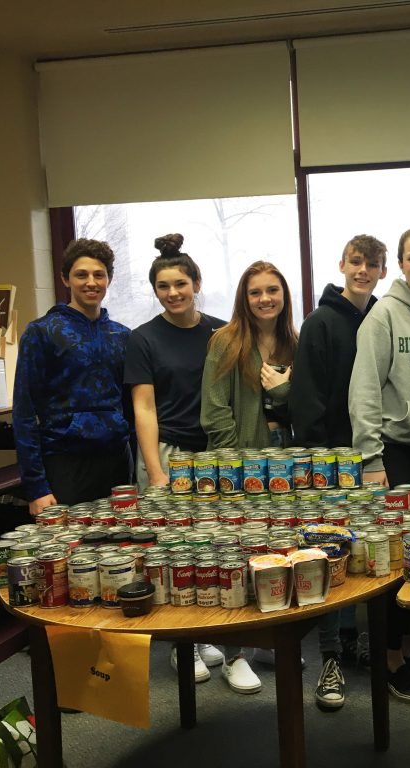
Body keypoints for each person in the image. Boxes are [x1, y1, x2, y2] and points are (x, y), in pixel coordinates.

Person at [349, 221, 410, 702]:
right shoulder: (383, 315)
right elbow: (364, 389)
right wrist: (370, 457)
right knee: (396, 557)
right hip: (393, 450)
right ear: (401, 266)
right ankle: (388, 656)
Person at [291, 234, 388, 711]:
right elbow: (305, 400)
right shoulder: (320, 322)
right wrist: (318, 466)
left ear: (382, 271)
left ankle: (352, 639)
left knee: (361, 553)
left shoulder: (380, 317)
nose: (362, 271)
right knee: (328, 553)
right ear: (342, 264)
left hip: (368, 459)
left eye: (371, 264)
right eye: (355, 262)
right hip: (328, 465)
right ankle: (329, 655)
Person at [124, 233, 226, 685]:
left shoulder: (221, 332)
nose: (173, 293)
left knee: (217, 546)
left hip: (214, 454)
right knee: (170, 550)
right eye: (163, 286)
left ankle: (212, 632)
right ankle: (181, 643)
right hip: (168, 454)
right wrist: (156, 473)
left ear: (196, 282)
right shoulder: (143, 340)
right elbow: (143, 409)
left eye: (180, 283)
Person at [200, 260, 297, 695]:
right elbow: (214, 410)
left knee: (274, 550)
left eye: (272, 290)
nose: (265, 299)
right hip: (239, 466)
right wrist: (236, 467)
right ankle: (235, 653)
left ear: (284, 295)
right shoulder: (225, 341)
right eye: (256, 291)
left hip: (284, 464)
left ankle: (263, 641)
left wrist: (281, 389)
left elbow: (299, 404)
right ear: (245, 297)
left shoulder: (293, 341)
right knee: (237, 556)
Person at [13, 238, 131, 518]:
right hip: (64, 462)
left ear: (109, 279)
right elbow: (24, 413)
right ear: (65, 279)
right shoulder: (42, 332)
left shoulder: (122, 335)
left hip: (116, 460)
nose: (91, 282)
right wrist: (36, 487)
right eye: (81, 275)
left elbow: (131, 406)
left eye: (98, 275)